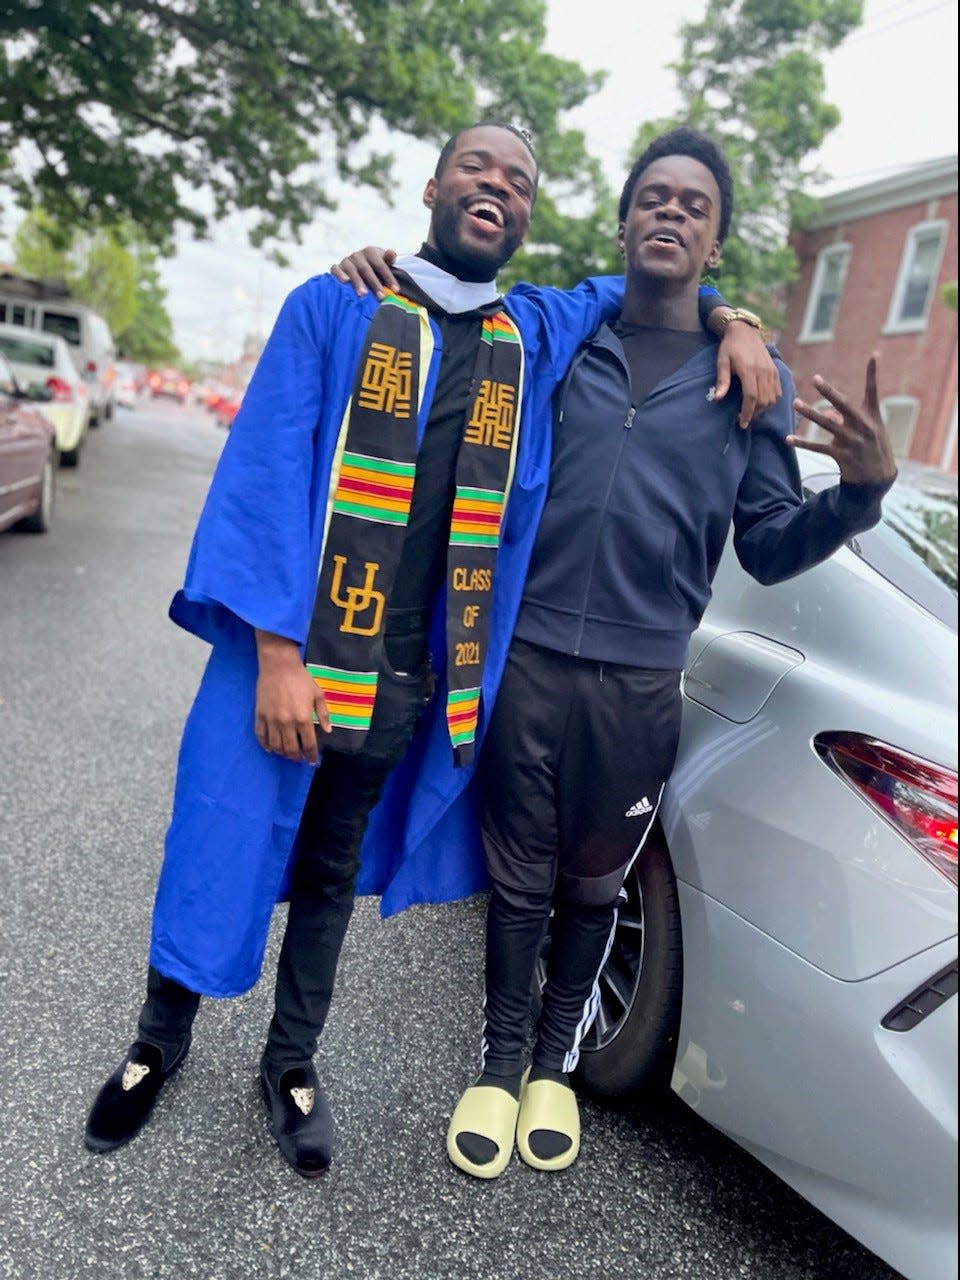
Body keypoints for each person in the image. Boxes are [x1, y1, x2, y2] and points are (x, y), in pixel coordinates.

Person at [84, 122, 775, 1179]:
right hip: (296, 660)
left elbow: (633, 286)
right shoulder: (341, 305)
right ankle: (156, 1040)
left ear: (526, 217)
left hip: (405, 678)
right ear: (433, 187)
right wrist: (275, 652)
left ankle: (293, 1063)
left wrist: (737, 323)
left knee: (327, 871)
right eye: (476, 169)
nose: (495, 188)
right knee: (220, 836)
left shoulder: (527, 331)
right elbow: (265, 476)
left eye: (518, 183)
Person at [332, 125, 897, 1181]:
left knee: (594, 884)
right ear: (627, 219)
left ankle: (555, 1064)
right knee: (517, 880)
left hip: (641, 682)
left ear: (716, 240)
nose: (671, 212)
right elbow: (451, 319)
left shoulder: (750, 384)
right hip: (529, 658)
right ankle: (498, 1068)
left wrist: (859, 497)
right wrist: (371, 271)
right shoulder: (555, 345)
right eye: (655, 197)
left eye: (694, 203)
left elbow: (772, 549)